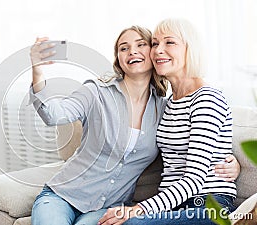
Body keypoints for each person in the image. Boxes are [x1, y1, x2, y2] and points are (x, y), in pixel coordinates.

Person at [29, 25, 239, 225]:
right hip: (63, 195)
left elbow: (194, 138)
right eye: (124, 48)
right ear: (118, 59)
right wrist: (37, 71)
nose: (132, 51)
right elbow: (53, 115)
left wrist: (233, 162)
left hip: (110, 206)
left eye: (141, 45)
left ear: (153, 55)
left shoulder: (165, 109)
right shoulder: (96, 93)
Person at [99, 18, 238, 225]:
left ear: (190, 49)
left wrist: (138, 209)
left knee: (130, 223)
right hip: (173, 205)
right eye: (155, 44)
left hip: (208, 204)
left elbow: (194, 179)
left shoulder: (206, 98)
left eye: (169, 43)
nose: (158, 51)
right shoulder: (169, 103)